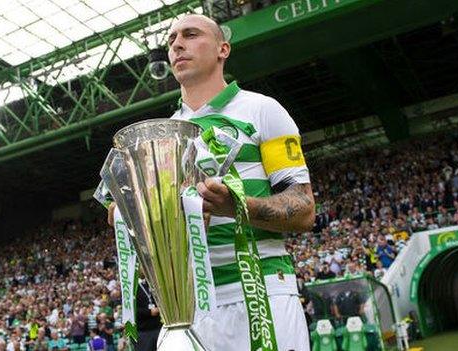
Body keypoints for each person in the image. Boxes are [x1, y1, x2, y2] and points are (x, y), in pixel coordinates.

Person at [109, 13, 314, 351]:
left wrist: (237, 207)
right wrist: (136, 218)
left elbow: (305, 209)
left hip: (262, 293)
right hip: (185, 308)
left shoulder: (262, 110)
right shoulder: (159, 140)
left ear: (223, 49)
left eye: (190, 34)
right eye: (171, 39)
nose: (177, 44)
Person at [133, 273, 162, 351]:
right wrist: (149, 312)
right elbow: (132, 311)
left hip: (158, 328)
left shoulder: (151, 283)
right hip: (143, 332)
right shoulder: (131, 286)